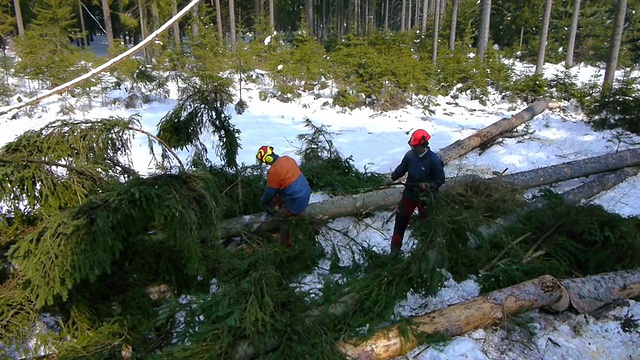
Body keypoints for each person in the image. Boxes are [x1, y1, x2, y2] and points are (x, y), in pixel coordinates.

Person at [383, 129, 445, 253]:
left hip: (425, 197)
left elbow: (440, 179)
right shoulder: (410, 155)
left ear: (422, 145)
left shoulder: (433, 160)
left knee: (426, 222)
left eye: (415, 146)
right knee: (400, 220)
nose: (413, 148)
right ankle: (394, 252)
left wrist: (429, 186)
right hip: (410, 193)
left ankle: (424, 252)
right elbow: (402, 168)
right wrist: (392, 178)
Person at [256, 145, 312, 247]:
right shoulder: (287, 159)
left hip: (296, 199)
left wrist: (263, 201)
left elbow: (270, 192)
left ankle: (287, 244)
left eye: (265, 162)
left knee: (283, 220)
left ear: (268, 159)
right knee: (279, 196)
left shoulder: (274, 171)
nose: (266, 164)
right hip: (306, 191)